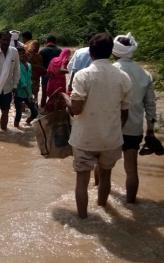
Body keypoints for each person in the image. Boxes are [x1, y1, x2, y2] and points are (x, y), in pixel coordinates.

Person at [66, 33, 132, 219]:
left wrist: (65, 98)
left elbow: (76, 110)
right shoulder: (123, 77)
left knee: (82, 181)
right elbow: (124, 112)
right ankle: (103, 207)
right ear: (111, 52)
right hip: (111, 138)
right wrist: (115, 130)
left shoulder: (83, 75)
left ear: (91, 52)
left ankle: (83, 220)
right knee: (105, 177)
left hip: (85, 138)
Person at [112, 33, 159, 203]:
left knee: (103, 166)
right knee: (131, 170)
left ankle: (101, 198)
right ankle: (132, 203)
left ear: (114, 51)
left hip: (112, 126)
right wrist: (151, 131)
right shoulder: (145, 74)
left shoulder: (112, 71)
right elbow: (151, 106)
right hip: (134, 127)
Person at [14, 47, 38, 127]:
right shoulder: (17, 66)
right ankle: (15, 130)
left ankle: (27, 123)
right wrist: (29, 95)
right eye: (19, 54)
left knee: (35, 112)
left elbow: (29, 80)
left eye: (23, 53)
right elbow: (22, 82)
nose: (22, 55)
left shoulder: (29, 65)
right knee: (19, 113)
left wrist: (32, 92)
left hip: (28, 92)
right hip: (19, 92)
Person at [39, 35, 62, 108]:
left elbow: (40, 64)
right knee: (55, 93)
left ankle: (42, 108)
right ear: (55, 42)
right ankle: (54, 109)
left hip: (45, 74)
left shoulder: (42, 51)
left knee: (44, 94)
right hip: (56, 75)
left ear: (47, 41)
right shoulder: (59, 51)